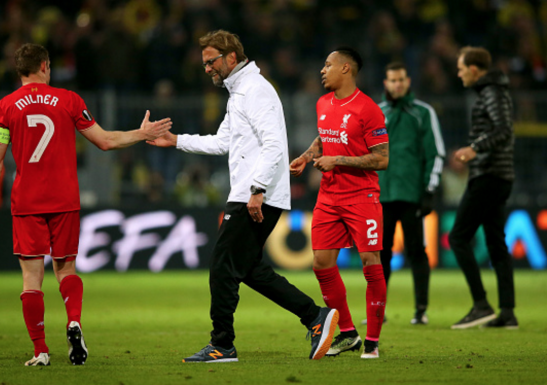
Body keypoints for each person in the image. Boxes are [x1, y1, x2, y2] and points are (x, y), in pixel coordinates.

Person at [148, 30, 339, 363]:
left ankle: (222, 344)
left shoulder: (255, 91)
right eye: (204, 63)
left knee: (222, 266)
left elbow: (275, 145)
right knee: (248, 269)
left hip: (255, 194)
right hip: (255, 192)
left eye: (211, 62)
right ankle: (315, 317)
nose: (206, 68)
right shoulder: (240, 93)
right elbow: (223, 143)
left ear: (231, 58)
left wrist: (257, 189)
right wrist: (176, 140)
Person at [0, 43, 172, 366]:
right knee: (65, 268)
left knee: (31, 278)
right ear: (43, 65)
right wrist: (141, 133)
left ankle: (40, 351)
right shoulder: (69, 100)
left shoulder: (6, 107)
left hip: (26, 202)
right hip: (65, 199)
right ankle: (74, 321)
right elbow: (105, 141)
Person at [290, 47, 389, 359]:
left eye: (328, 64)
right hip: (329, 196)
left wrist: (338, 161)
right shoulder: (322, 103)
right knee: (321, 263)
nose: (322, 69)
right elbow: (324, 138)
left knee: (371, 262)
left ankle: (372, 341)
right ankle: (348, 334)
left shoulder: (369, 109)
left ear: (346, 69)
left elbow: (382, 159)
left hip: (362, 196)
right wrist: (307, 157)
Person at [450, 46, 516, 329]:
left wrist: (475, 148)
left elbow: (504, 130)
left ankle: (481, 304)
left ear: (474, 70)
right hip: (497, 176)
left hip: (489, 176)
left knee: (458, 237)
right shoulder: (493, 92)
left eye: (462, 68)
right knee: (496, 244)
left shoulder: (492, 93)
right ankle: (507, 313)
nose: (459, 73)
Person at [377, 62, 445, 325]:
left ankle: (420, 310)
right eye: (393, 80)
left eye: (401, 79)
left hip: (412, 194)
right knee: (381, 253)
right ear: (386, 83)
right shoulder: (377, 112)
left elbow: (435, 153)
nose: (397, 84)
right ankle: (377, 311)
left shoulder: (423, 112)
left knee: (416, 251)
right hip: (381, 195)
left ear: (408, 82)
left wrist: (429, 190)